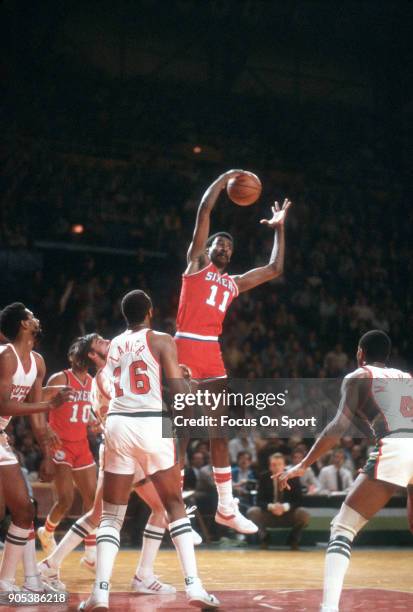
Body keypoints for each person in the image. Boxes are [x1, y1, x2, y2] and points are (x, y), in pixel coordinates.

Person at [79, 291, 219, 610]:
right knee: (173, 503)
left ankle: (99, 593)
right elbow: (177, 388)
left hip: (118, 423)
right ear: (151, 312)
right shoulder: (161, 340)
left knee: (112, 516)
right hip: (152, 421)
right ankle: (194, 586)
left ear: (125, 315)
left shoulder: (113, 344)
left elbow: (113, 383)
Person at [175, 169, 291, 533]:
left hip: (211, 353)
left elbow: (274, 269)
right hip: (183, 348)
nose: (224, 247)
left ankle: (226, 507)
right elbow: (204, 212)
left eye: (228, 246)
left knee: (219, 432)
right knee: (181, 435)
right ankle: (173, 509)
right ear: (207, 249)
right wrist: (224, 179)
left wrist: (279, 229)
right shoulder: (195, 266)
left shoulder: (233, 284)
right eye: (218, 244)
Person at [40, 333, 196, 595]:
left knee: (100, 513)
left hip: (121, 445)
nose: (105, 341)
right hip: (125, 447)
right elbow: (137, 394)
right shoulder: (106, 375)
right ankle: (142, 575)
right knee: (159, 509)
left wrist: (170, 373)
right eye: (99, 341)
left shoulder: (106, 374)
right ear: (92, 354)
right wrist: (170, 376)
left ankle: (50, 564)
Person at [278, 330, 413, 612]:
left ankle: (329, 608)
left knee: (342, 527)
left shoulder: (358, 376)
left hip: (397, 447)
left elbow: (338, 427)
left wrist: (303, 464)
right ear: (387, 356)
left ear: (360, 353)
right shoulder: (405, 377)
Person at [0, 302, 72, 601]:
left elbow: (35, 416)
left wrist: (46, 450)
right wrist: (48, 404)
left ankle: (18, 582)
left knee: (25, 509)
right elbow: (4, 405)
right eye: (30, 316)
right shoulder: (6, 357)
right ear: (21, 325)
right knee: (20, 509)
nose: (36, 317)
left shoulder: (38, 362)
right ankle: (16, 582)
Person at [37, 337, 97, 570]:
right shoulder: (60, 378)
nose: (80, 360)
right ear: (71, 357)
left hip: (82, 445)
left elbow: (86, 410)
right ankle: (47, 531)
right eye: (77, 355)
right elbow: (37, 403)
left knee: (92, 500)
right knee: (66, 500)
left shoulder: (92, 382)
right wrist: (47, 428)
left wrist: (93, 420)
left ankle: (90, 555)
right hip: (60, 446)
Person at [247, 453, 310, 550]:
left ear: (284, 466)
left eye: (279, 464)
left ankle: (293, 539)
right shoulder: (264, 477)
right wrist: (272, 507)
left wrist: (284, 507)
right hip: (269, 513)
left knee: (304, 514)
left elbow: (299, 500)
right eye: (274, 464)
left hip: (288, 514)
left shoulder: (293, 477)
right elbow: (259, 501)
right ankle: (264, 538)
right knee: (252, 512)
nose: (277, 467)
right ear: (270, 466)